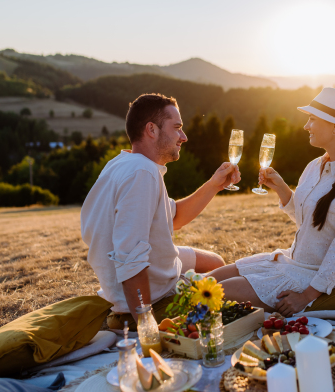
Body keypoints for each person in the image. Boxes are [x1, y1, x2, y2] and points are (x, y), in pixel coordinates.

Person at [208, 87, 335, 317]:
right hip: (291, 262)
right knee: (207, 280)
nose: (306, 126)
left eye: (312, 119)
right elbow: (307, 221)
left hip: (319, 278)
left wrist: (306, 296)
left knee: (215, 291)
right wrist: (282, 189)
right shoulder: (314, 167)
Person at [81, 93, 240, 329]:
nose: (184, 137)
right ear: (152, 130)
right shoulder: (142, 173)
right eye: (177, 128)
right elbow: (130, 260)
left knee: (215, 261)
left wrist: (214, 184)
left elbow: (172, 217)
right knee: (241, 284)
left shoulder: (124, 163)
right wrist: (147, 328)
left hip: (145, 271)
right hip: (151, 299)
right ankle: (135, 317)